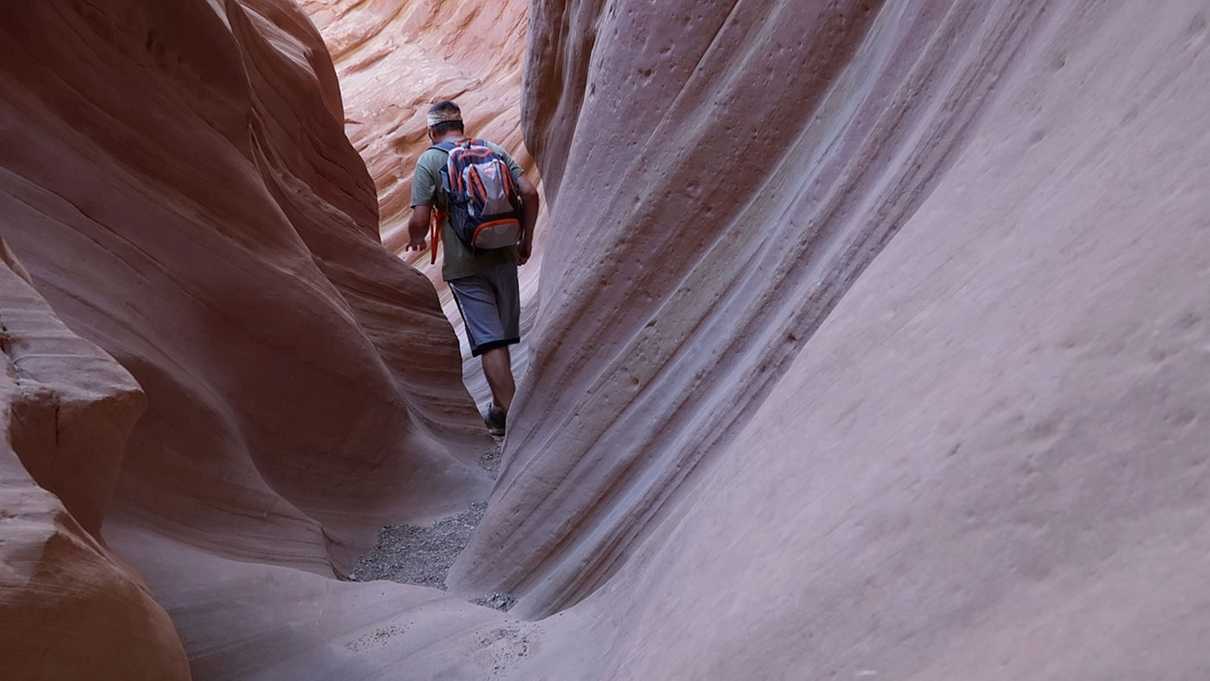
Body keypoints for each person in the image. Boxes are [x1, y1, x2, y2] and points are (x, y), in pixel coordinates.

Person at [406, 100, 539, 436]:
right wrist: (525, 238)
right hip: (504, 253)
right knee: (501, 338)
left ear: (431, 131)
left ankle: (512, 416)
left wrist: (416, 238)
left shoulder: (431, 160)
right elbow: (528, 192)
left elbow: (420, 218)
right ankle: (498, 409)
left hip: (465, 265)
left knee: (489, 339)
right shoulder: (492, 149)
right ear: (461, 125)